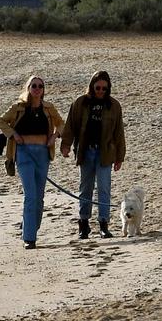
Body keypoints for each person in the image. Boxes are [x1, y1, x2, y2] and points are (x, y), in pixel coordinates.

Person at [0, 76, 63, 249]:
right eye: (34, 86)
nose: (37, 89)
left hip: (42, 153)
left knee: (39, 197)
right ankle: (29, 238)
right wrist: (14, 134)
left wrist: (55, 136)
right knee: (30, 195)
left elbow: (61, 124)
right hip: (23, 153)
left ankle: (32, 227)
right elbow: (1, 121)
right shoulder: (18, 107)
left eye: (40, 86)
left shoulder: (48, 108)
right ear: (28, 88)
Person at [60, 70, 126, 239]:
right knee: (85, 188)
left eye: (104, 88)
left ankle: (104, 224)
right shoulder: (80, 103)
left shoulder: (114, 105)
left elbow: (119, 132)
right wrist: (66, 144)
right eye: (98, 87)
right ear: (92, 86)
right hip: (86, 151)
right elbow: (71, 125)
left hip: (105, 153)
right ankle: (84, 224)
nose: (101, 91)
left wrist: (120, 157)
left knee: (104, 188)